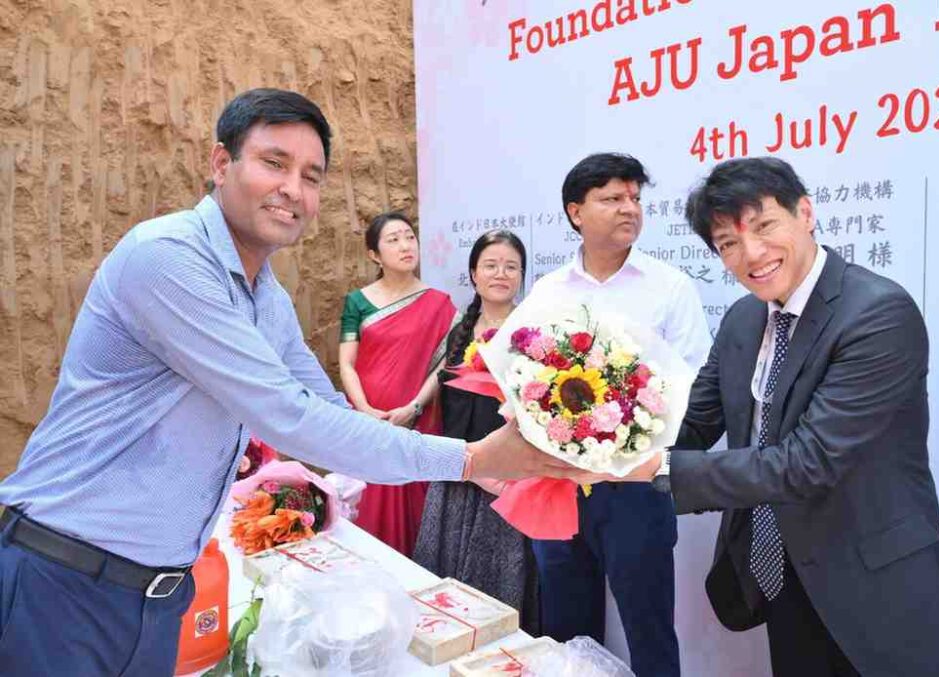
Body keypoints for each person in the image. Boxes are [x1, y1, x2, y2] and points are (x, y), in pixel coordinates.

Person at [0, 88, 580, 676]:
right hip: (64, 578)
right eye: (273, 163)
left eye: (311, 176)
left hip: (156, 593)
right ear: (221, 163)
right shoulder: (168, 258)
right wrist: (471, 459)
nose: (293, 189)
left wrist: (490, 459)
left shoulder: (266, 295)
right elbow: (288, 417)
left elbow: (324, 405)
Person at [643, 156, 939, 675]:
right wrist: (592, 443)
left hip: (879, 586)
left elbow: (806, 462)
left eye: (764, 226)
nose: (752, 254)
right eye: (728, 243)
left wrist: (657, 469)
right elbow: (694, 421)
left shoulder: (876, 312)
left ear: (805, 212)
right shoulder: (743, 318)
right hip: (783, 576)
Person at [527, 153, 711, 677]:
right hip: (559, 483)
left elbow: (695, 382)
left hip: (637, 485)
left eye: (634, 198)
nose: (629, 208)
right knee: (567, 632)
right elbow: (526, 374)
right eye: (612, 198)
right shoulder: (548, 291)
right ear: (576, 212)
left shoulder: (670, 286)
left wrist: (632, 431)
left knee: (648, 630)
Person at [413, 229, 541, 635]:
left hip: (505, 478)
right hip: (457, 468)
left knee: (499, 585)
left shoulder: (532, 333)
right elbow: (441, 381)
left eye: (511, 267)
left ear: (522, 276)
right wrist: (413, 408)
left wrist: (495, 470)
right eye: (491, 265)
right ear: (473, 274)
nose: (501, 274)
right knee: (445, 589)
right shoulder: (460, 329)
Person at [338, 212, 456, 556]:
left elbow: (443, 366)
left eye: (409, 237)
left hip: (417, 420)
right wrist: (365, 411)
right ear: (374, 255)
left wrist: (415, 406)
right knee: (366, 501)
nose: (406, 246)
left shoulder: (440, 303)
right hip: (368, 423)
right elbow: (346, 364)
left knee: (415, 504)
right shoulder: (358, 302)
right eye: (393, 240)